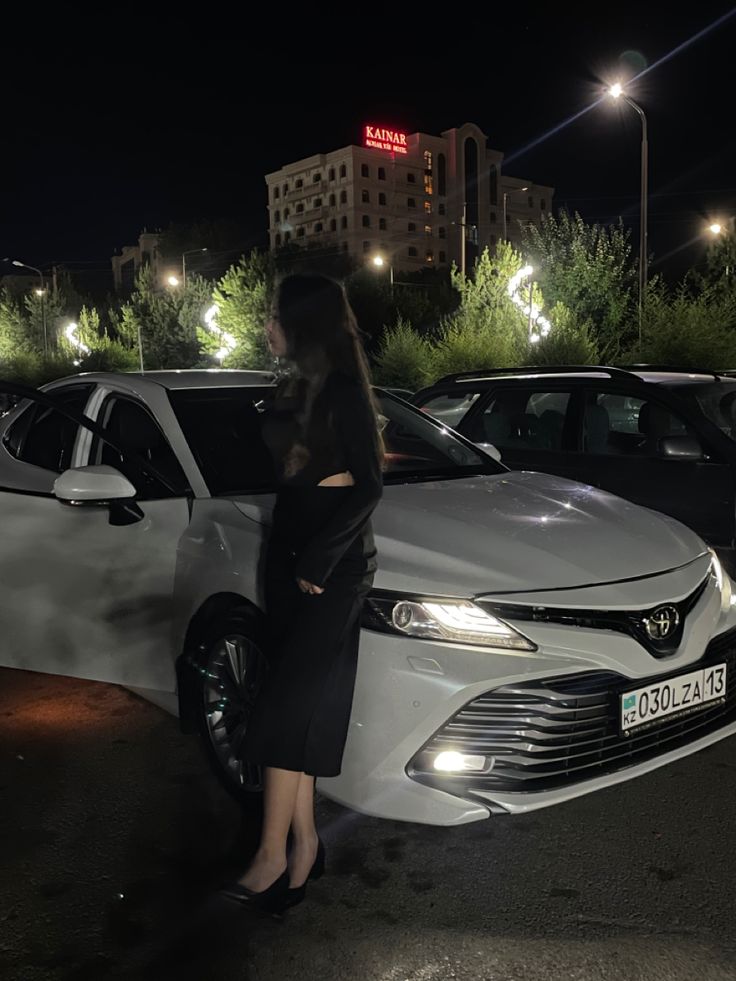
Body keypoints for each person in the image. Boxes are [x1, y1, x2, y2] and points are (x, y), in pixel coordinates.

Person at [222, 274, 384, 914]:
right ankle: (306, 844)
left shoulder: (343, 392)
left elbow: (369, 486)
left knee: (282, 713)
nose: (265, 327)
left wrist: (319, 560)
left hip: (332, 568)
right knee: (302, 709)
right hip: (286, 560)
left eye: (272, 316)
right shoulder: (291, 392)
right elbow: (284, 472)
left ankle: (270, 855)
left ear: (303, 323)